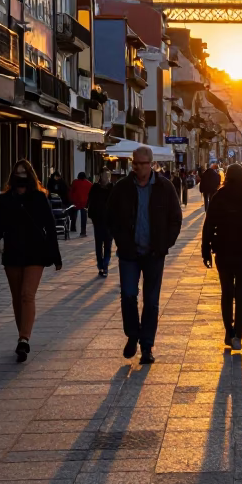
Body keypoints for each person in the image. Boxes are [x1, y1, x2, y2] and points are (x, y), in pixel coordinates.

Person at [108, 145, 183, 364]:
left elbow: (175, 218)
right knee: (129, 296)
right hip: (129, 253)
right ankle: (133, 334)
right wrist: (121, 241)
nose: (137, 167)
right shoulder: (122, 188)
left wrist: (164, 245)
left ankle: (147, 346)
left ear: (151, 164)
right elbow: (110, 216)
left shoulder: (164, 187)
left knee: (151, 301)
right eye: (134, 163)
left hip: (153, 254)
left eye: (141, 163)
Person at [0, 160, 62, 363]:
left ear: (30, 176)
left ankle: (24, 338)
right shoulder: (6, 199)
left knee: (27, 294)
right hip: (12, 252)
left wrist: (56, 256)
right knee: (17, 297)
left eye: (24, 173)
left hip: (35, 252)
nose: (21, 177)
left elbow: (50, 226)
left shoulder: (38, 197)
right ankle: (22, 335)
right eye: (17, 173)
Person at [202, 164, 242, 350]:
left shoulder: (219, 197)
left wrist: (205, 250)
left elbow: (209, 225)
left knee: (226, 292)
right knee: (241, 294)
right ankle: (238, 334)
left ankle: (228, 330)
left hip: (223, 250)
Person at [88, 170, 115, 277]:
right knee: (98, 245)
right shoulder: (95, 188)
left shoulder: (112, 188)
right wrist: (92, 215)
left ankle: (105, 265)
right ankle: (100, 265)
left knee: (108, 245)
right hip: (98, 221)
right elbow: (90, 201)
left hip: (109, 222)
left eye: (107, 176)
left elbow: (116, 203)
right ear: (100, 176)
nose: (106, 178)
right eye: (104, 175)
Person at [69, 172, 92, 237]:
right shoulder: (89, 184)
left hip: (75, 201)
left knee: (74, 214)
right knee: (83, 217)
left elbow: (71, 191)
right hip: (84, 202)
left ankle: (73, 227)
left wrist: (71, 199)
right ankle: (83, 231)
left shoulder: (75, 182)